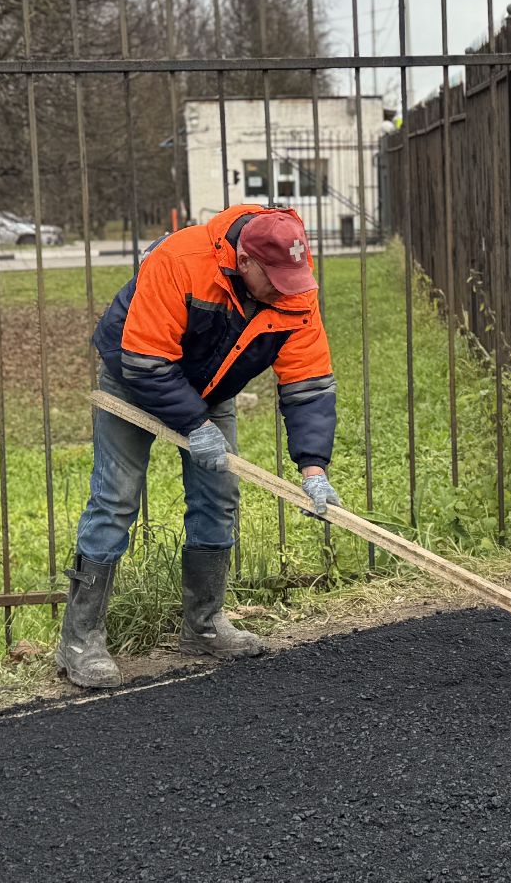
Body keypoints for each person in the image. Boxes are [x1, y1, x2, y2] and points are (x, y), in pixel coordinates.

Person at [55, 205, 340, 689]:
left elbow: (308, 384)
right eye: (273, 279)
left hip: (212, 388)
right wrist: (195, 425)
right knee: (116, 500)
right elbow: (144, 358)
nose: (286, 289)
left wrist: (314, 470)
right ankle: (80, 641)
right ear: (243, 261)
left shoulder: (295, 288)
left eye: (293, 278)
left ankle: (203, 627)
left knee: (218, 497)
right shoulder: (181, 260)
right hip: (133, 380)